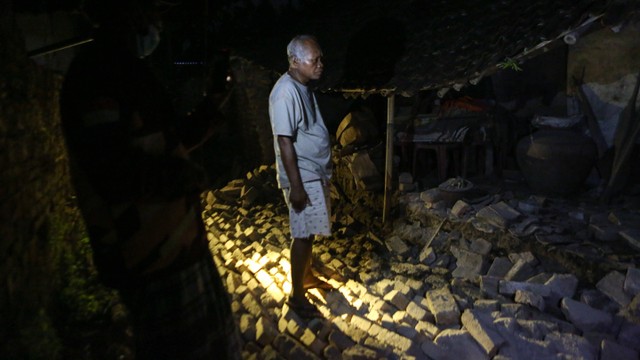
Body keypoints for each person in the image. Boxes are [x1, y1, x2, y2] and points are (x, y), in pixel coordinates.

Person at [60, 1, 240, 358]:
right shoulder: (96, 76)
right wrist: (185, 176)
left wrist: (211, 105)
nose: (158, 20)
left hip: (180, 249)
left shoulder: (124, 71)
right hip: (148, 260)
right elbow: (111, 170)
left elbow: (166, 144)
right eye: (153, 10)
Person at [268, 35, 333, 319]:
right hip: (301, 176)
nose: (320, 64)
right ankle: (296, 297)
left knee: (309, 232)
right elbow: (284, 141)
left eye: (321, 59)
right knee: (303, 234)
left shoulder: (302, 86)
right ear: (295, 61)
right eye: (314, 60)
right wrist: (296, 186)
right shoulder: (285, 92)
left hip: (311, 172)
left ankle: (306, 277)